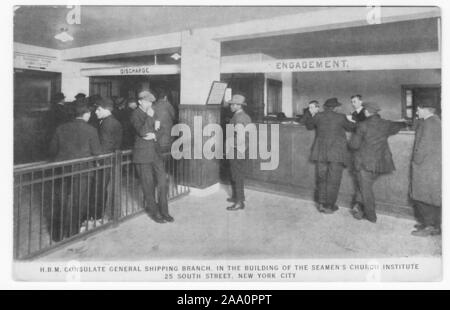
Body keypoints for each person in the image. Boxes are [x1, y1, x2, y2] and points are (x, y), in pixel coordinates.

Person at [48, 103, 102, 241]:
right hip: (83, 170)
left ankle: (57, 235)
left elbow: (52, 150)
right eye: (89, 113)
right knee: (78, 201)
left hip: (62, 169)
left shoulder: (60, 128)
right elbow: (97, 152)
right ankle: (72, 233)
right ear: (85, 115)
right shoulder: (91, 129)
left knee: (61, 200)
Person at [349, 102, 406, 223]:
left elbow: (354, 145)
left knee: (365, 189)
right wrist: (402, 122)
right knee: (363, 186)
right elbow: (398, 125)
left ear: (367, 112)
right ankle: (358, 207)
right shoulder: (386, 124)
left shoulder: (362, 125)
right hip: (380, 163)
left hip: (365, 163)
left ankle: (371, 216)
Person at [305, 97, 356, 213]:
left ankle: (322, 204)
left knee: (321, 178)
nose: (339, 108)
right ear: (335, 108)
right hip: (336, 153)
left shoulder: (318, 116)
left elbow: (309, 125)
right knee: (334, 179)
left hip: (320, 152)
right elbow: (351, 127)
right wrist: (355, 120)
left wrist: (311, 113)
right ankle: (329, 205)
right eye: (338, 106)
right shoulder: (341, 117)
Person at [130, 90, 173, 223]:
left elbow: (162, 129)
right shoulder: (135, 115)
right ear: (140, 102)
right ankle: (154, 213)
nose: (150, 104)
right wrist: (149, 118)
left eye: (151, 102)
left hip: (155, 152)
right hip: (142, 155)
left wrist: (155, 135)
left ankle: (164, 211)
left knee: (163, 182)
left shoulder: (152, 112)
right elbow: (142, 132)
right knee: (147, 185)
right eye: (147, 101)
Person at [410, 99, 441, 236]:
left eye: (418, 109)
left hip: (425, 165)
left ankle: (430, 226)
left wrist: (415, 161)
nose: (416, 112)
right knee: (429, 195)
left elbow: (423, 145)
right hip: (431, 165)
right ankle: (429, 223)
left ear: (424, 109)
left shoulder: (429, 123)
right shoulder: (434, 121)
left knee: (424, 195)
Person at [95, 97, 124, 220]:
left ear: (106, 110)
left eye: (98, 109)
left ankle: (98, 215)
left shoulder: (106, 124)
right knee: (109, 187)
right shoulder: (113, 121)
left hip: (106, 160)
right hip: (113, 158)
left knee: (100, 187)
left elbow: (105, 145)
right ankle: (113, 214)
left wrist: (98, 160)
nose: (96, 111)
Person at [225, 94, 252, 211]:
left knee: (237, 176)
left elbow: (240, 138)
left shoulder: (239, 118)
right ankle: (237, 196)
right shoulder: (245, 116)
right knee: (236, 174)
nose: (230, 106)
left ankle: (239, 202)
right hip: (243, 149)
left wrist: (229, 145)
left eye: (232, 104)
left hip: (237, 150)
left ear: (238, 105)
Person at [153, 88, 176, 153]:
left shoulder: (154, 105)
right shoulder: (168, 105)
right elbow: (173, 116)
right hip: (167, 133)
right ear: (165, 97)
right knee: (167, 153)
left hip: (156, 135)